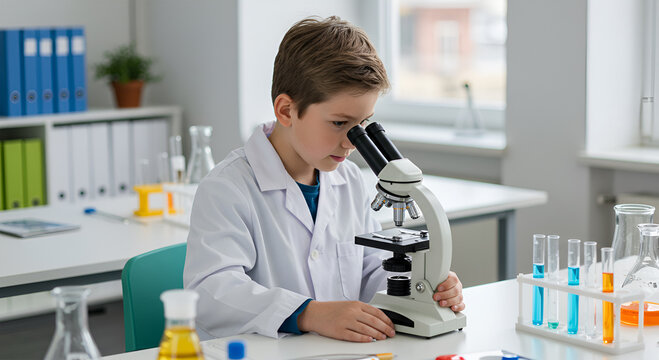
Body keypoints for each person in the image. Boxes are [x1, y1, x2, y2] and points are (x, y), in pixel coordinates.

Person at [183, 15, 465, 343]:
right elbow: (212, 292)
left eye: (363, 125)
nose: (352, 143)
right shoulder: (228, 188)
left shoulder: (350, 181)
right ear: (286, 110)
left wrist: (421, 287)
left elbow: (370, 269)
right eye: (338, 123)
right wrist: (308, 313)